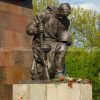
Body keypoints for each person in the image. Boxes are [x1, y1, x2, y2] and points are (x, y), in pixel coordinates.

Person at [26, 3, 72, 80]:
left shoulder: (66, 21)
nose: (63, 18)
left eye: (66, 16)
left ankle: (59, 74)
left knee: (63, 47)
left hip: (56, 43)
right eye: (63, 15)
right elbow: (29, 29)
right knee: (49, 66)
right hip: (43, 42)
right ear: (60, 10)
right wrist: (37, 30)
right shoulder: (44, 14)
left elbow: (62, 34)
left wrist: (67, 39)